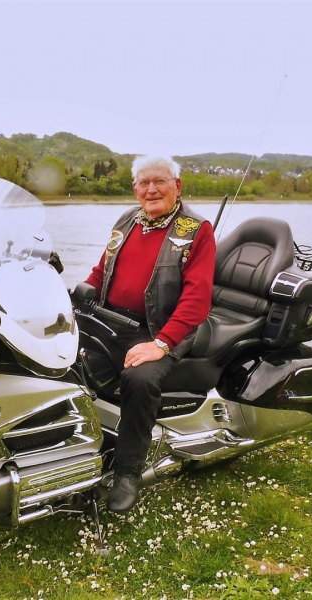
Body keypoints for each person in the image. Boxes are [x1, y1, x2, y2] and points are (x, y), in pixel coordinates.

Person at [84, 155, 216, 512]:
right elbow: (101, 271)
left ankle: (128, 472)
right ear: (135, 189)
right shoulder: (126, 220)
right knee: (64, 358)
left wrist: (161, 343)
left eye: (160, 181)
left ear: (177, 186)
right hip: (110, 319)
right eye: (144, 183)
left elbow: (196, 300)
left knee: (139, 379)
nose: (152, 189)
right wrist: (74, 295)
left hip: (161, 328)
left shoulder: (195, 229)